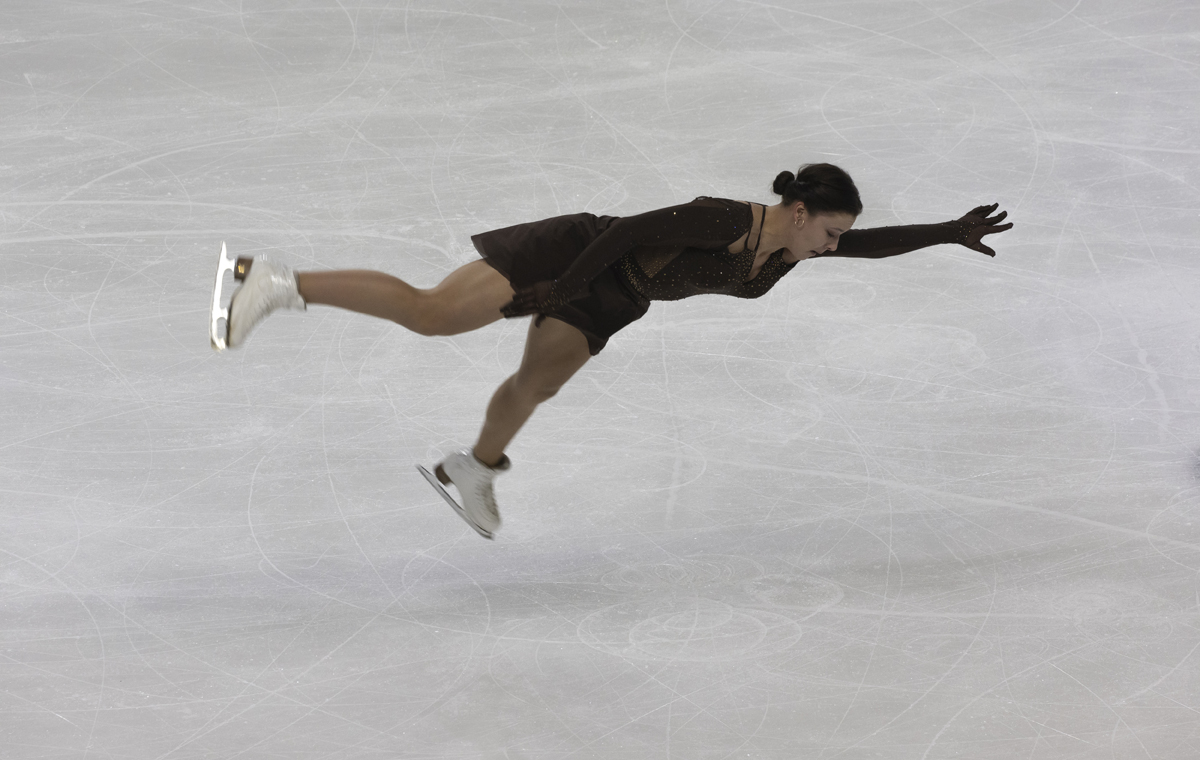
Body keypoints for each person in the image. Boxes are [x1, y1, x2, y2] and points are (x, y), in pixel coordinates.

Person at [220, 163, 1012, 536]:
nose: (834, 247)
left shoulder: (789, 249)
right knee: (434, 315)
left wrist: (947, 232)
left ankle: (472, 469)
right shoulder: (722, 218)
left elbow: (869, 247)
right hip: (577, 255)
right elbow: (630, 232)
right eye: (829, 232)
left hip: (616, 295)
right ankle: (268, 281)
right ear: (798, 209)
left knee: (537, 386)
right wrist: (559, 286)